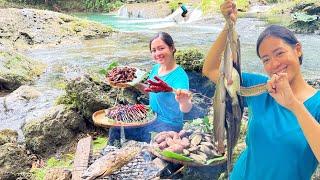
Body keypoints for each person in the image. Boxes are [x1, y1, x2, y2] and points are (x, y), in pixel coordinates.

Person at [202, 1, 320, 179]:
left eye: (279, 53)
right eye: (265, 59)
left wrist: (294, 104)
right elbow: (210, 69)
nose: (274, 64)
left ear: (298, 50)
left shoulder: (317, 104)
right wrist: (229, 26)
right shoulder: (260, 88)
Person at [109, 32, 192, 144]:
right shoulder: (156, 69)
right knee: (116, 126)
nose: (157, 53)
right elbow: (151, 92)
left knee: (118, 131)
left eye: (161, 48)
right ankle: (113, 154)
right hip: (151, 118)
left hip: (168, 126)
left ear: (172, 48)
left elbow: (186, 108)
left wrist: (184, 101)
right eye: (153, 50)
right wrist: (134, 83)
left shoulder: (179, 76)